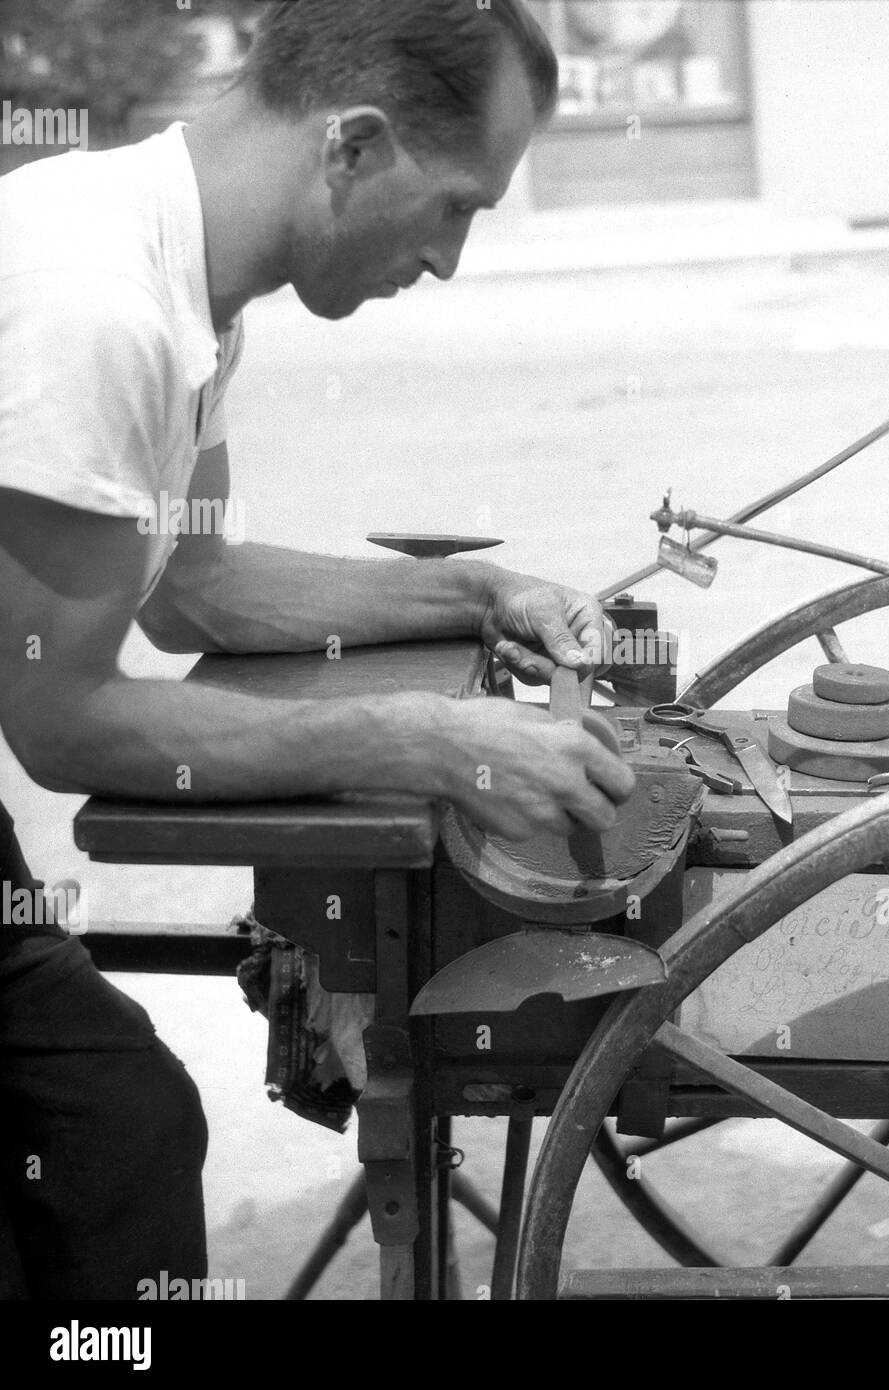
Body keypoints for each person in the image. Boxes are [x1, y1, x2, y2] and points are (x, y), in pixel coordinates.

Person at [0, 0, 632, 1298]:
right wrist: (421, 739)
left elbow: (199, 588)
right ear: (350, 147)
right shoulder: (100, 306)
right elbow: (61, 723)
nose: (451, 259)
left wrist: (473, 594)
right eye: (457, 206)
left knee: (98, 1134)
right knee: (109, 1131)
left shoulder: (189, 288)